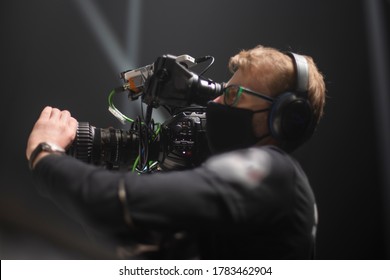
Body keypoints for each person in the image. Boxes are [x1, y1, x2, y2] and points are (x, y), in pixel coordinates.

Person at [26, 45, 326, 259]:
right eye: (222, 91)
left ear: (284, 119)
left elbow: (121, 205)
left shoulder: (273, 171)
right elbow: (126, 234)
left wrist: (46, 154)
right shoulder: (252, 204)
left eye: (232, 94)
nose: (215, 104)